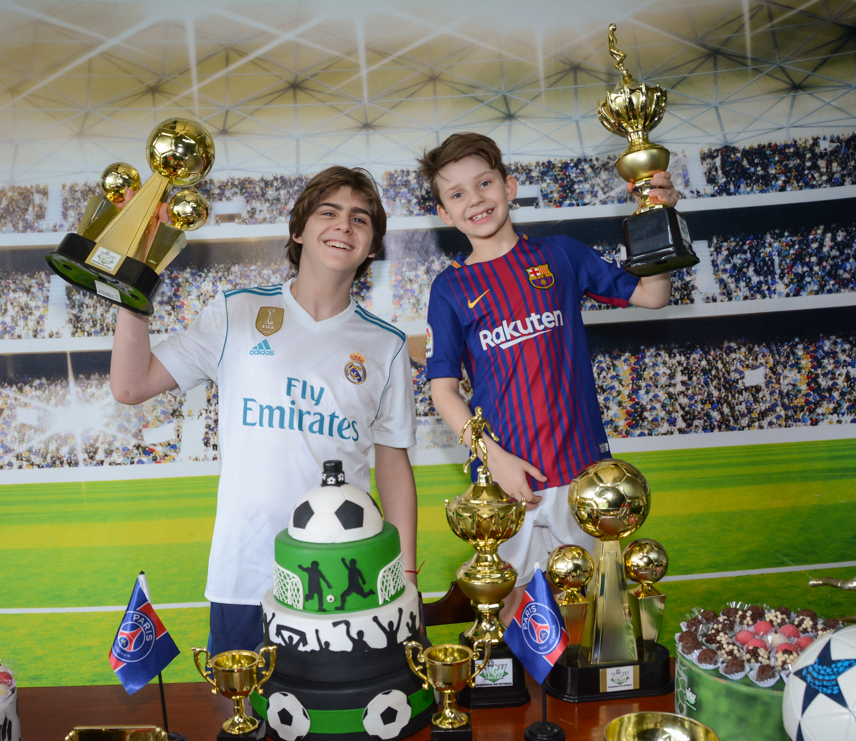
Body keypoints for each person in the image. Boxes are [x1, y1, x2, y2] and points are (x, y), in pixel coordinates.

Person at [110, 167, 418, 656]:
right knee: (244, 724)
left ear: (373, 247)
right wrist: (134, 290)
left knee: (335, 726)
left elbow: (393, 465)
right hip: (244, 572)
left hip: (345, 572)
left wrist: (404, 574)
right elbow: (130, 386)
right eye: (328, 212)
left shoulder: (387, 346)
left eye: (360, 219)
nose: (344, 225)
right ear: (298, 231)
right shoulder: (236, 313)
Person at [418, 132, 678, 622]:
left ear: (510, 187)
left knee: (587, 613)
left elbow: (653, 295)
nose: (475, 199)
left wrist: (657, 218)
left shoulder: (560, 254)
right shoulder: (449, 288)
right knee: (505, 615)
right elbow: (443, 391)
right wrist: (495, 461)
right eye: (456, 194)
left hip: (579, 476)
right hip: (504, 482)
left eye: (484, 183)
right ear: (444, 214)